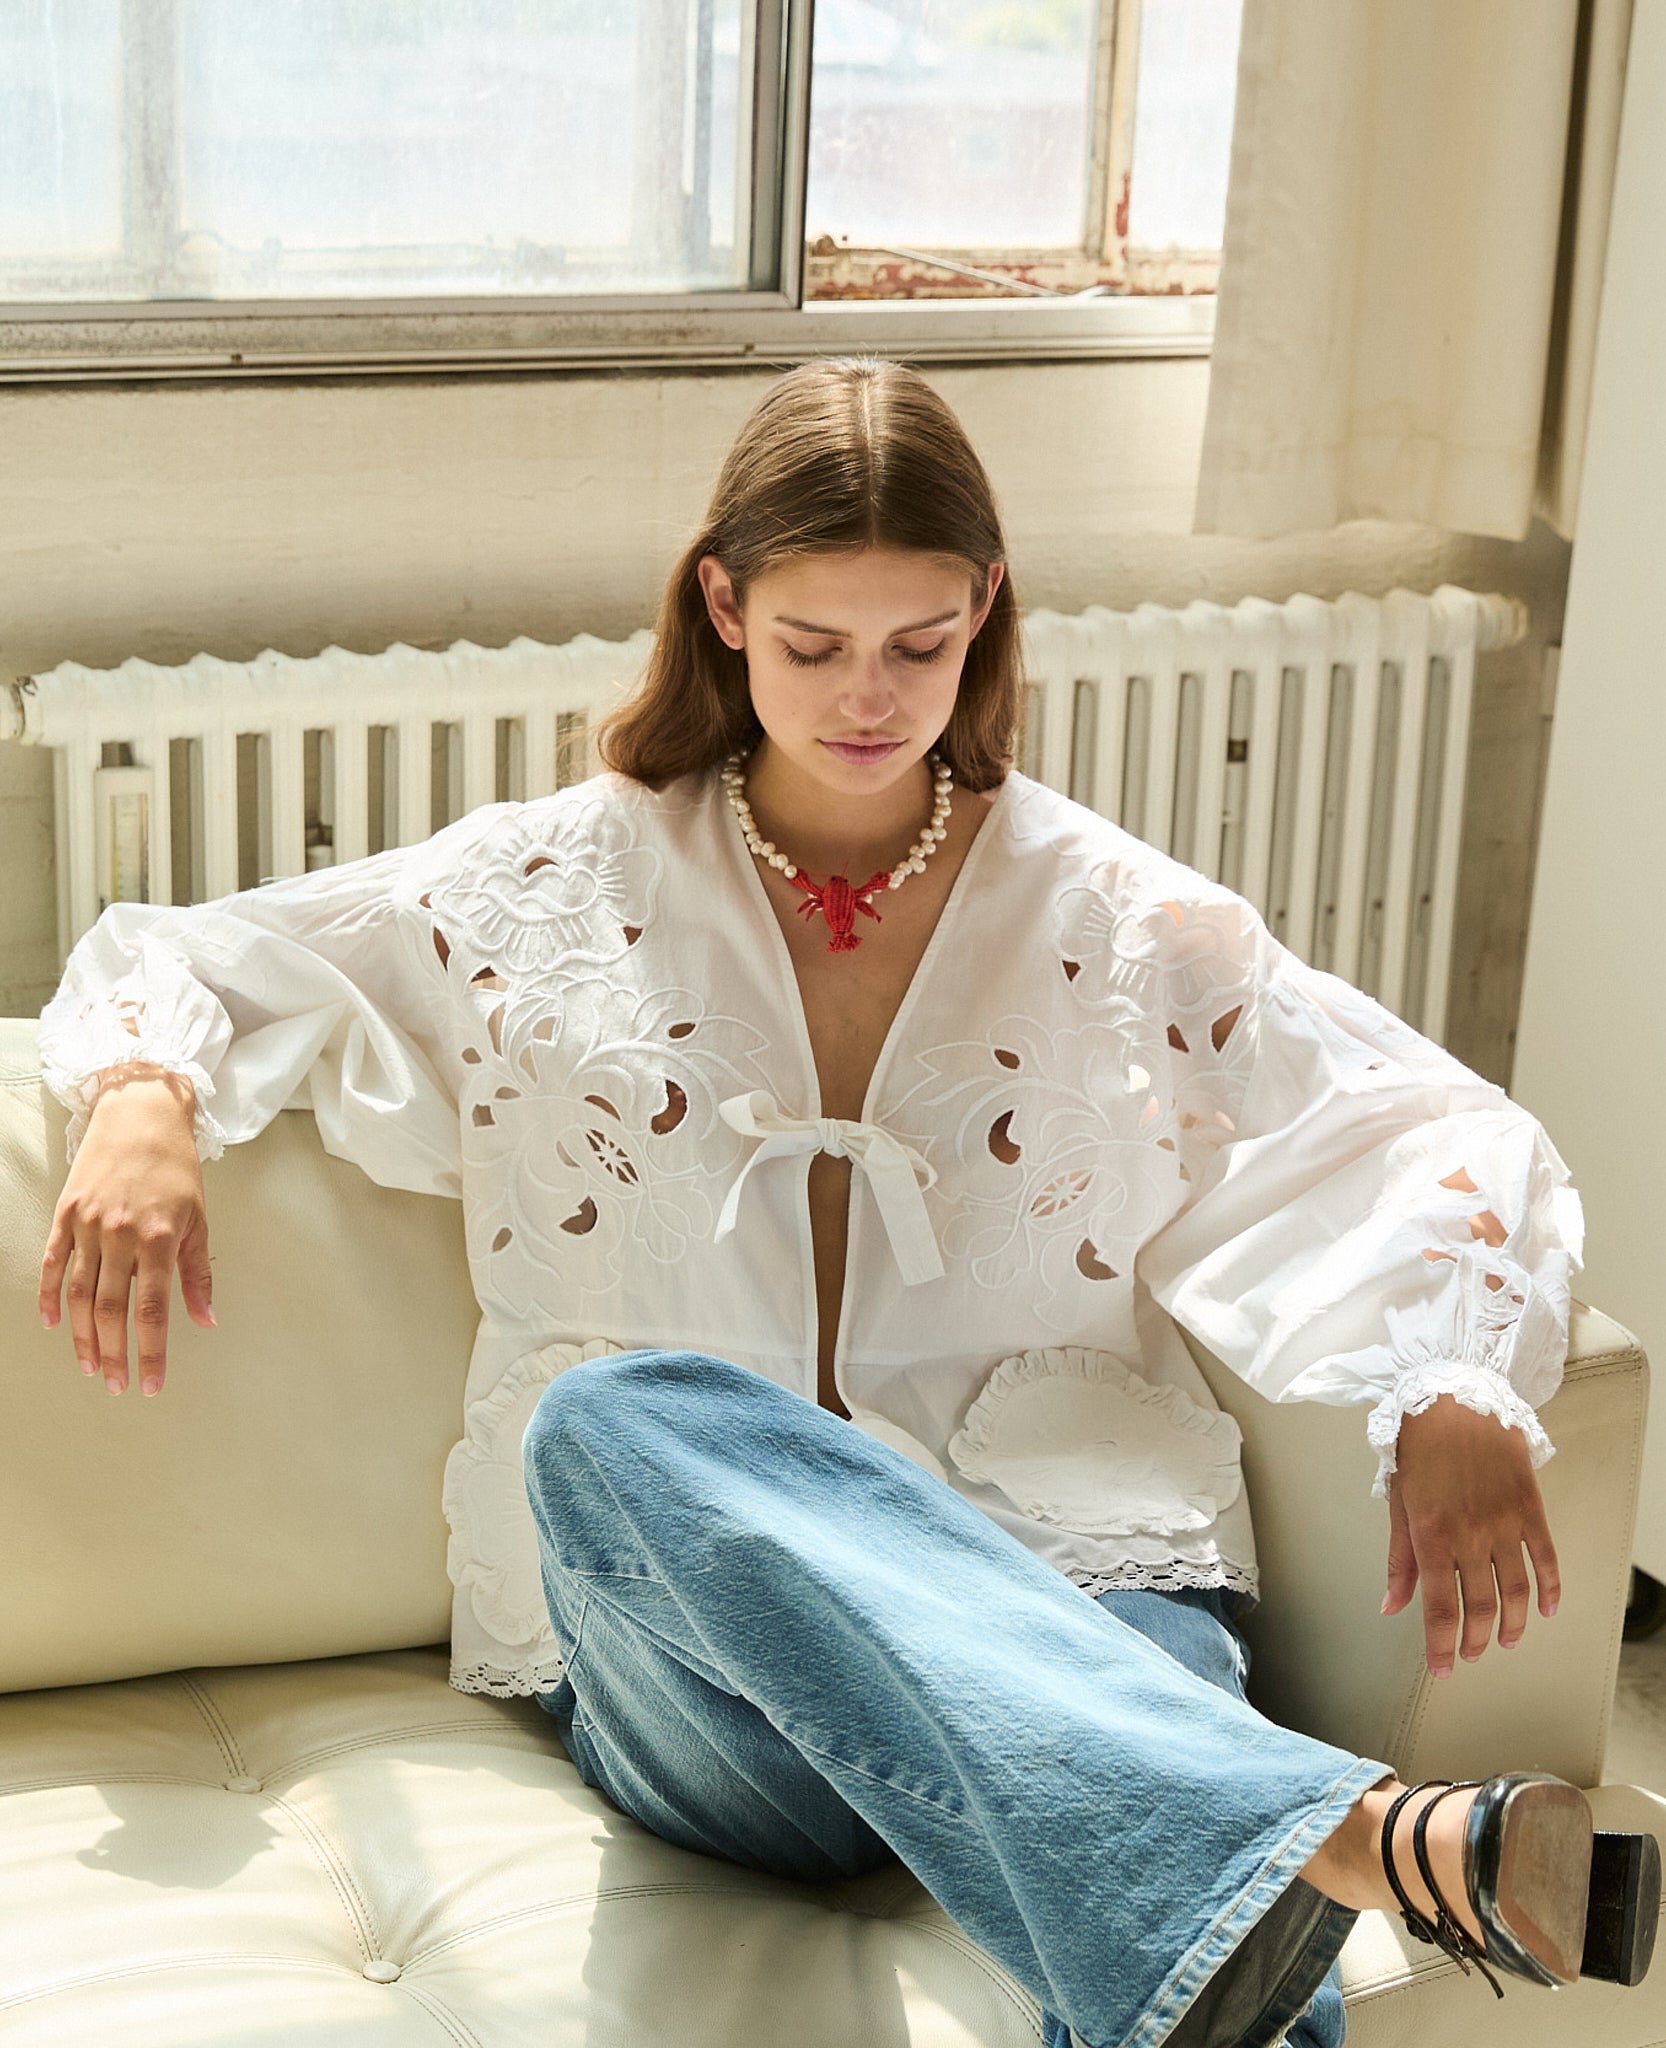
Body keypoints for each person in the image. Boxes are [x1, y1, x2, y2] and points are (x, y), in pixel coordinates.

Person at [33, 358, 1655, 2048]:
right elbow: (196, 954)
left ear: (986, 612)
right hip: (714, 1698)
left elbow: (1415, 1122)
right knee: (605, 1423)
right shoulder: (543, 886)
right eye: (814, 645)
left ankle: (1296, 1845)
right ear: (723, 608)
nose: (868, 696)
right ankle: (1345, 1830)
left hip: (1074, 1586)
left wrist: (1447, 1376)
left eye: (918, 644)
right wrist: (143, 1092)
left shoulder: (1117, 915)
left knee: (1187, 1900)